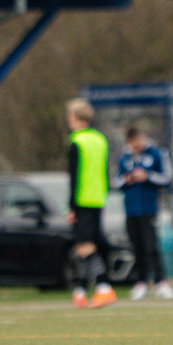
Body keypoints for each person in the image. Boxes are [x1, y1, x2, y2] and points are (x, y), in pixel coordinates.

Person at [66, 98, 117, 309]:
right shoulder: (100, 139)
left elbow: (74, 176)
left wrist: (71, 206)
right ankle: (80, 290)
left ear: (74, 117)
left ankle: (104, 286)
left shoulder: (77, 141)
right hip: (98, 198)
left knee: (85, 246)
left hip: (82, 198)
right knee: (84, 245)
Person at [115, 126, 173, 301]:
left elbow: (167, 177)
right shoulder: (125, 157)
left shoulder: (156, 154)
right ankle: (140, 282)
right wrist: (126, 179)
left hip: (149, 209)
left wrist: (147, 176)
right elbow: (116, 180)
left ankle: (160, 282)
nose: (135, 145)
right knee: (136, 246)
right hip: (130, 209)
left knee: (151, 246)